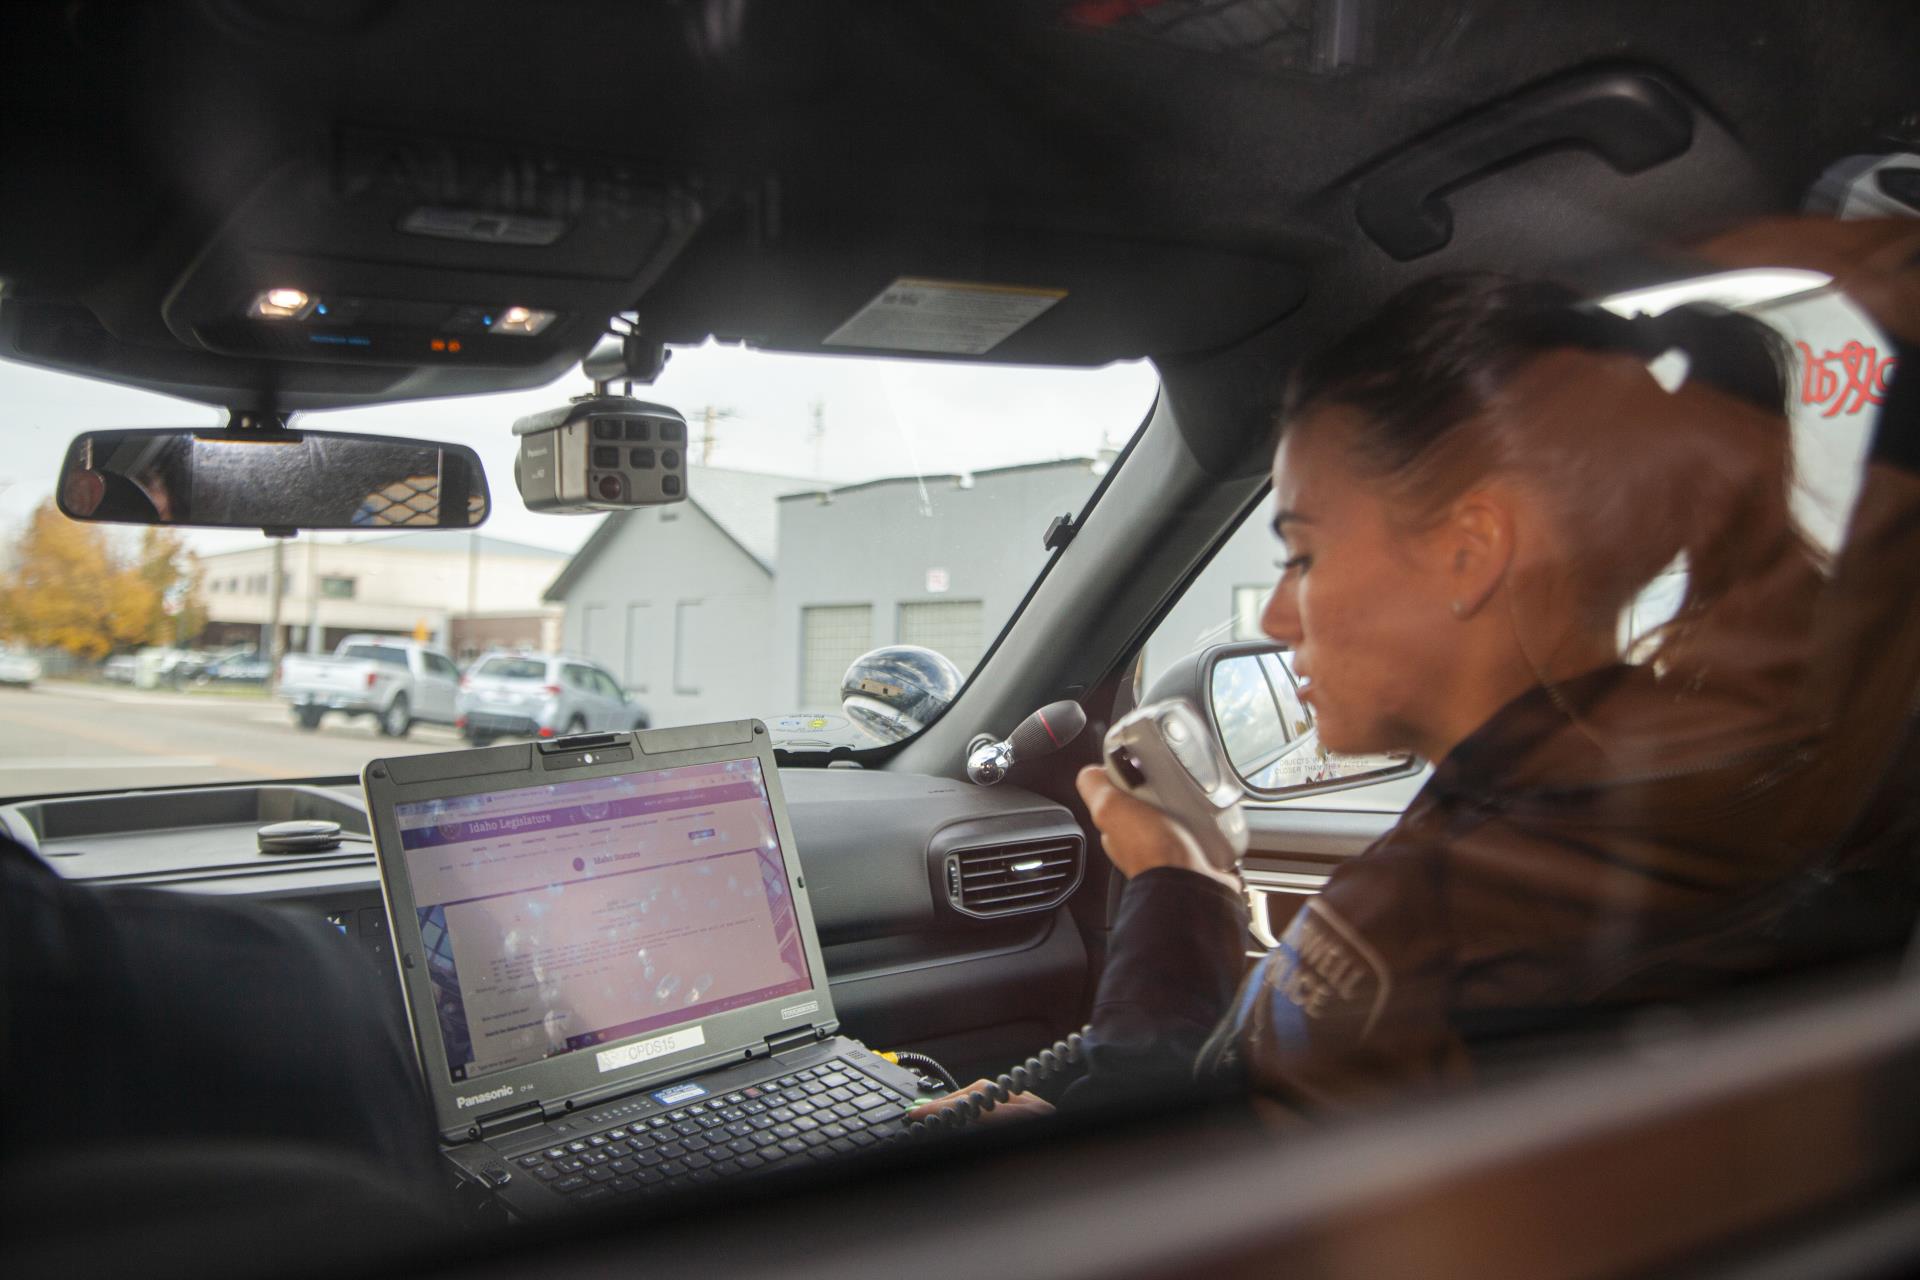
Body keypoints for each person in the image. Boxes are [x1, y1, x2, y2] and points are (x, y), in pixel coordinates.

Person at [923, 218, 1920, 1124]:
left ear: (1469, 550)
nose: (1276, 613)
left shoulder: (1418, 926)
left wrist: (1176, 887)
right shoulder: (1744, 770)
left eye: (1304, 552)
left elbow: (1181, 1196)